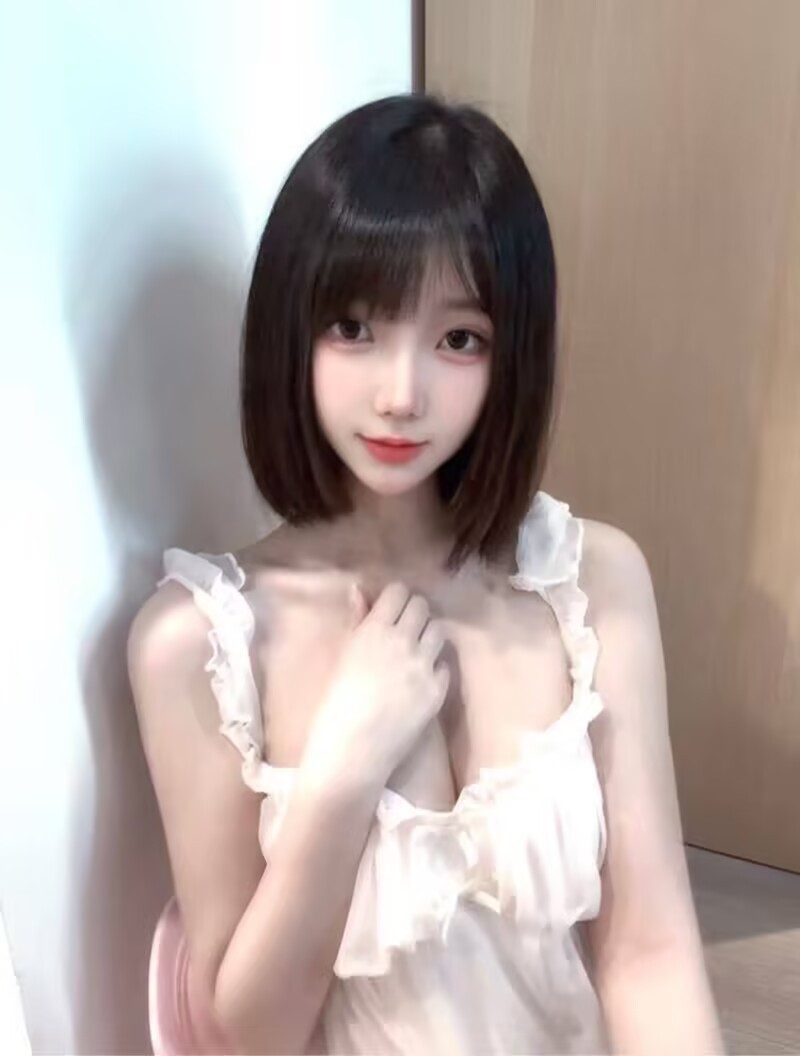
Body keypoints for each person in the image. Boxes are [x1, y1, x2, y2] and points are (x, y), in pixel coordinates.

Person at [128, 93, 721, 1055]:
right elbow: (251, 1033)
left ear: (510, 354)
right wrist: (344, 771)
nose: (401, 394)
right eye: (354, 327)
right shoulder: (197, 640)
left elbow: (648, 954)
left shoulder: (593, 585)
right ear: (289, 330)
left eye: (458, 340)